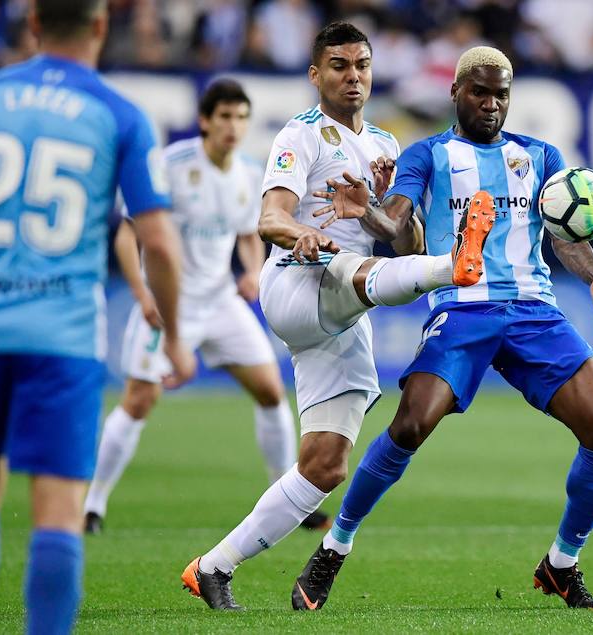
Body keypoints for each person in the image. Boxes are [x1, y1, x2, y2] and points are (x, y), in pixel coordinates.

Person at [291, 45, 593, 611]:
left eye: (501, 94)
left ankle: (562, 563)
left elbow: (565, 233)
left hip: (532, 311)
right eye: (480, 91)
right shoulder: (429, 155)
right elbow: (397, 229)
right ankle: (334, 545)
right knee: (410, 426)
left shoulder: (540, 155)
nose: (491, 104)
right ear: (456, 92)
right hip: (462, 307)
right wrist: (364, 209)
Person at [0, 1, 195, 633]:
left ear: (32, 23)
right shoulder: (119, 114)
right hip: (62, 336)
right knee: (58, 511)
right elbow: (162, 246)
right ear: (98, 26)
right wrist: (173, 335)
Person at [180, 22, 491, 611]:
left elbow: (402, 242)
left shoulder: (385, 145)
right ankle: (458, 266)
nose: (354, 76)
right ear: (315, 74)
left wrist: (379, 209)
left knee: (325, 465)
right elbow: (270, 218)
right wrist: (301, 234)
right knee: (355, 268)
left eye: (363, 65)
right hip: (296, 285)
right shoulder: (300, 138)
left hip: (345, 312)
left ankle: (213, 568)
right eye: (340, 65)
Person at [83, 79, 330, 535]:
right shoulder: (170, 166)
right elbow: (127, 235)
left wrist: (252, 271)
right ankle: (92, 505)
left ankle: (287, 498)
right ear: (204, 121)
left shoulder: (247, 172)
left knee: (271, 391)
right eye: (225, 117)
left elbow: (245, 234)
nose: (234, 127)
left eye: (241, 118)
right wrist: (142, 296)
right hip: (168, 304)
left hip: (219, 301)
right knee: (140, 399)